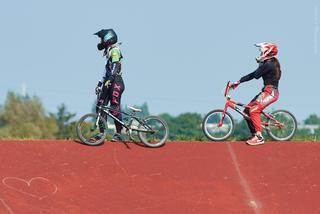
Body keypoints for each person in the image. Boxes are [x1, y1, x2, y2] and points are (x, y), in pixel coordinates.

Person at [230, 42, 281, 146]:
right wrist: (239, 81)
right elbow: (257, 73)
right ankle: (254, 134)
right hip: (266, 91)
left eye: (261, 51)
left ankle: (259, 137)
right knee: (247, 111)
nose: (260, 53)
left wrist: (239, 81)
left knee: (253, 111)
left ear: (267, 52)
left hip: (270, 92)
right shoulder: (269, 63)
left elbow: (255, 75)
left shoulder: (269, 64)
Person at [94, 29, 125, 142]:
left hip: (116, 81)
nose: (101, 41)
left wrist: (111, 78)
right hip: (108, 81)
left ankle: (119, 133)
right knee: (100, 106)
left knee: (114, 107)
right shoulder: (108, 51)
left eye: (102, 39)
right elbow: (105, 70)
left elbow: (116, 65)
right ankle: (102, 133)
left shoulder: (115, 50)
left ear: (108, 39)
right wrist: (99, 83)